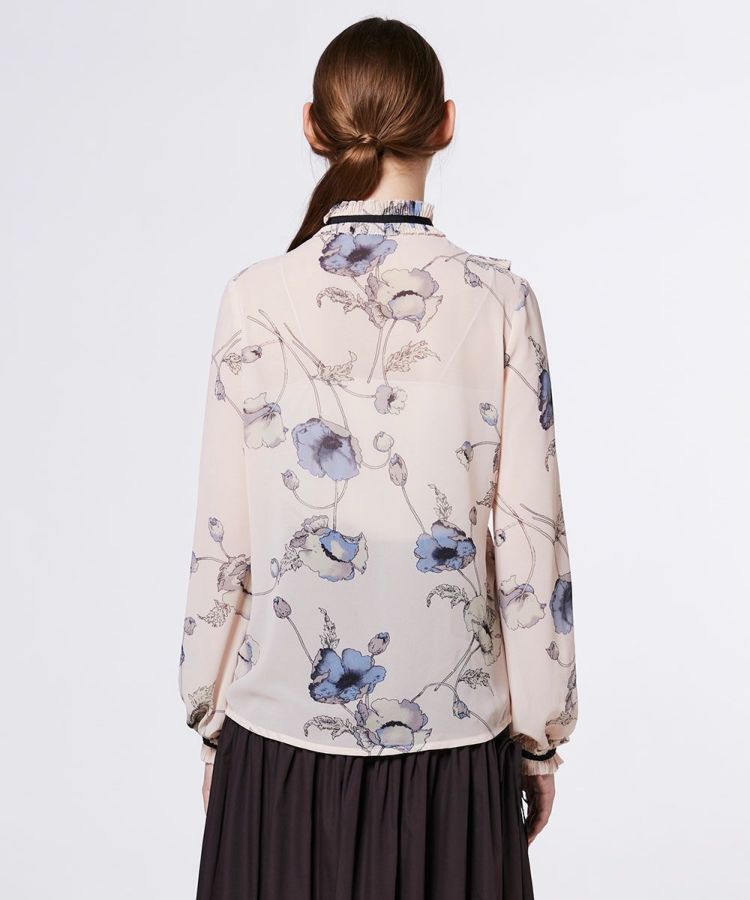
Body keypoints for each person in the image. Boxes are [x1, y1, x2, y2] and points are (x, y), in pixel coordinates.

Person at [178, 16, 577, 900]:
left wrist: (211, 722)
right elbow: (530, 540)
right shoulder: (501, 301)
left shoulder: (253, 298)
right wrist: (540, 739)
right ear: (446, 124)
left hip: (277, 746)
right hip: (454, 755)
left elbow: (224, 540)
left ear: (313, 128)